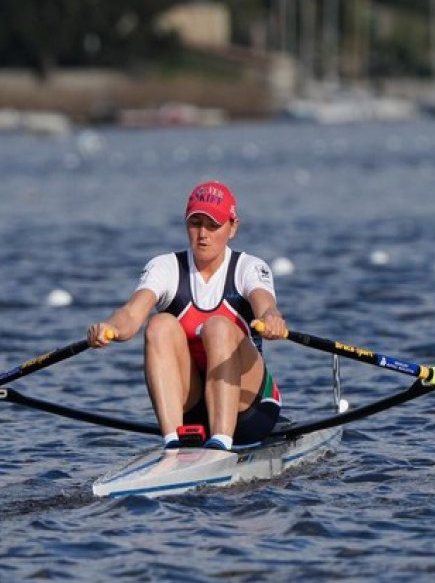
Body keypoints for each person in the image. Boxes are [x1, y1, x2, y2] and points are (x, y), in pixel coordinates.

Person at [87, 181, 287, 451]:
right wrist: (110, 327)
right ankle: (173, 442)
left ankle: (221, 443)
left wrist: (272, 318)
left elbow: (265, 306)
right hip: (191, 412)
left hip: (250, 411)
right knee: (159, 324)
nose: (203, 234)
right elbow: (132, 314)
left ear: (233, 227)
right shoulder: (165, 267)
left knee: (217, 326)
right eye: (195, 223)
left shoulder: (249, 267)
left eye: (213, 225)